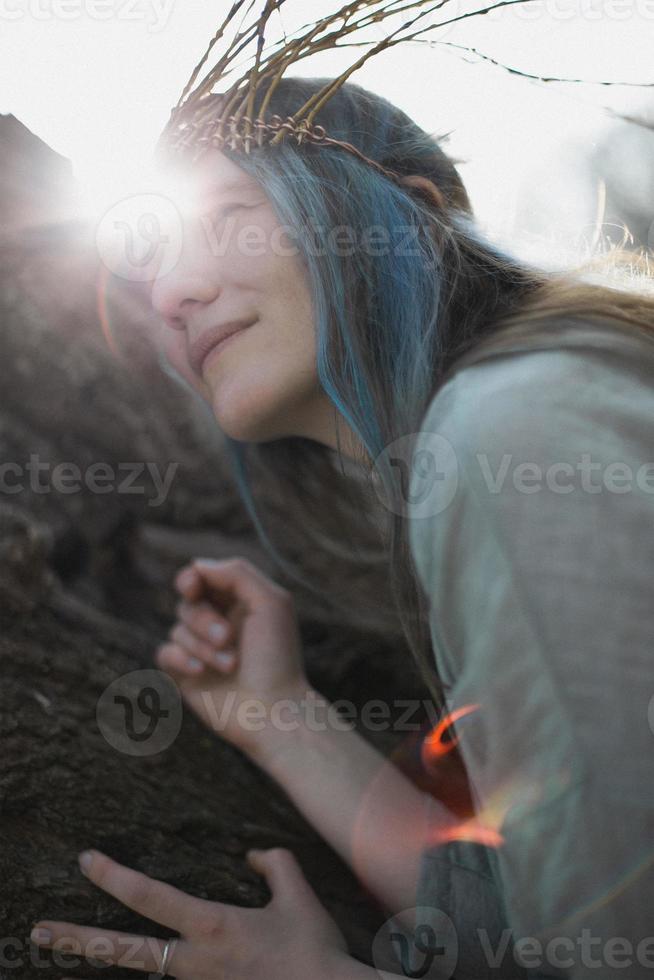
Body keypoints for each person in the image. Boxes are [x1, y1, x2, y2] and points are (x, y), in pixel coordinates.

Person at [31, 74, 654, 980]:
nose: (168, 295)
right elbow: (549, 908)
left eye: (228, 217)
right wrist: (276, 712)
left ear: (404, 215)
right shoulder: (510, 431)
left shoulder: (514, 428)